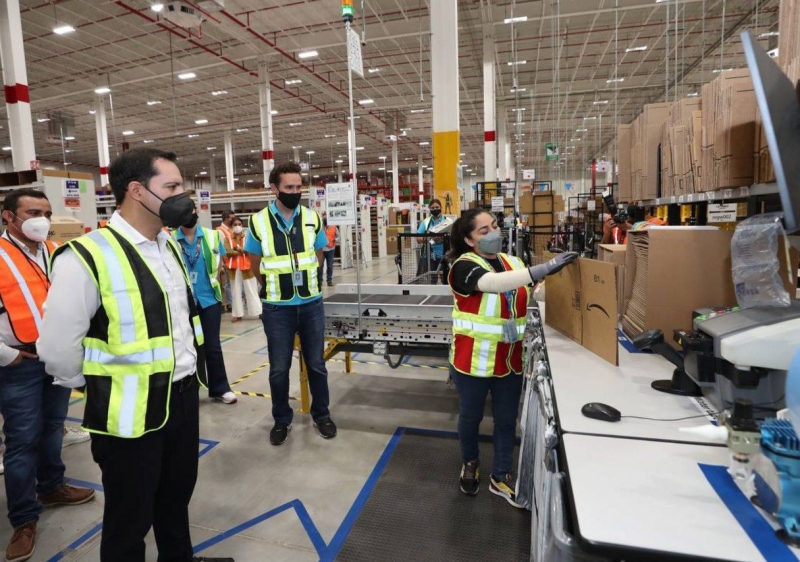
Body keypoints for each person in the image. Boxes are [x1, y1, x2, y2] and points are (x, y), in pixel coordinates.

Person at [38, 148, 232, 562]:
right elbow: (57, 349)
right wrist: (100, 386)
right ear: (137, 191)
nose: (183, 196)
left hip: (183, 398)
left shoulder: (168, 246)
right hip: (127, 415)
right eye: (172, 186)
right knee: (130, 518)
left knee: (175, 500)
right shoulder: (87, 256)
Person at [447, 209, 577, 507]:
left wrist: (563, 286)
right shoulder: (463, 266)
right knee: (471, 418)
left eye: (494, 225)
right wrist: (543, 268)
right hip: (473, 361)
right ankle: (470, 462)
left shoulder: (513, 263)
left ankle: (501, 474)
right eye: (484, 231)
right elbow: (493, 284)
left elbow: (531, 292)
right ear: (469, 240)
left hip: (509, 360)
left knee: (506, 420)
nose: (494, 232)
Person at [0, 188, 95, 562]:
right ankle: (24, 518)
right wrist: (7, 356)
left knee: (54, 427)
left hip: (56, 358)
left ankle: (52, 486)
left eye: (47, 213)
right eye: (33, 212)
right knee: (22, 440)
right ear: (9, 216)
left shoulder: (56, 253)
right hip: (18, 364)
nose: (42, 219)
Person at [245, 162, 336, 446]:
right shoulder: (258, 222)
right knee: (279, 368)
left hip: (311, 304)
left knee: (317, 365)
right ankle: (282, 420)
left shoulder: (311, 217)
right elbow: (255, 262)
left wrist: (309, 281)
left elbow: (318, 254)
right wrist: (269, 285)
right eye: (289, 187)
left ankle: (322, 415)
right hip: (277, 307)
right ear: (274, 188)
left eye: (298, 187)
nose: (295, 192)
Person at [174, 206, 237, 405]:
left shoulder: (212, 236)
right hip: (183, 302)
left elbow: (219, 264)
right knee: (186, 346)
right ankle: (190, 390)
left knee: (212, 345)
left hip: (209, 299)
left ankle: (220, 388)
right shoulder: (170, 240)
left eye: (192, 210)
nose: (190, 215)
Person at [222, 217, 261, 322]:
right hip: (233, 268)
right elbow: (228, 252)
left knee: (252, 289)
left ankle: (258, 312)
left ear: (242, 225)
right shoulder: (227, 238)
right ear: (231, 226)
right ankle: (237, 314)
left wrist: (239, 249)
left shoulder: (248, 237)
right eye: (235, 224)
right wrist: (241, 251)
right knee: (235, 291)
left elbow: (250, 250)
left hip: (247, 267)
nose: (237, 226)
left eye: (239, 224)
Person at [417, 198, 447, 284]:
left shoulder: (447, 221)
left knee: (446, 279)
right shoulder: (425, 222)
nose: (435, 209)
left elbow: (454, 236)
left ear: (441, 207)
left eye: (437, 207)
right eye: (432, 208)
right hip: (428, 255)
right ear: (429, 209)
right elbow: (418, 238)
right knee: (431, 280)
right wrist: (430, 238)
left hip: (444, 255)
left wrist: (443, 238)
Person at [216, 210, 236, 312]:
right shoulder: (220, 230)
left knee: (232, 283)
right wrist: (225, 262)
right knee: (227, 283)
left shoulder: (231, 229)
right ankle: (230, 304)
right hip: (226, 260)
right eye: (232, 217)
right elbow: (221, 247)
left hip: (234, 260)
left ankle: (232, 303)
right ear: (226, 219)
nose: (233, 219)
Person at [317, 217, 337, 288]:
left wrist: (335, 239)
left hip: (331, 249)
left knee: (330, 266)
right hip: (321, 249)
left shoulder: (334, 227)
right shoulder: (320, 228)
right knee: (320, 266)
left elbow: (339, 236)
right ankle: (319, 281)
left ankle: (329, 280)